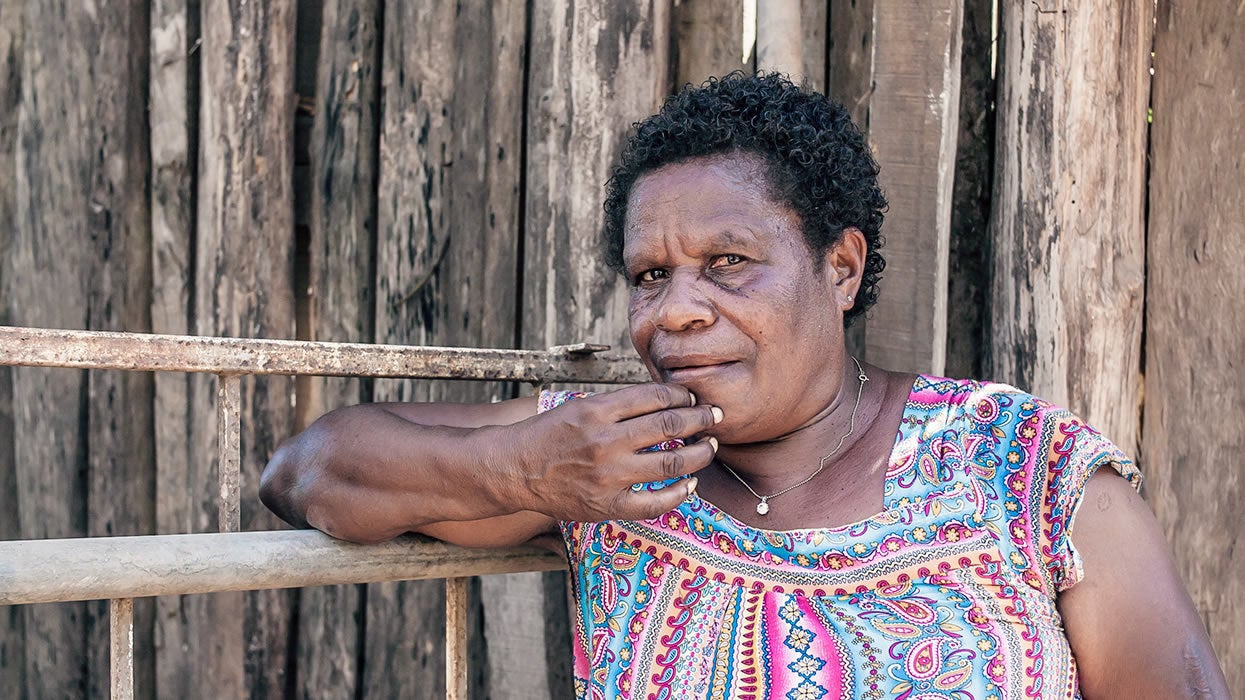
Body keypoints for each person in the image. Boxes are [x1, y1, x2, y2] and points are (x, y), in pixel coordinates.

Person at [261, 73, 1227, 699]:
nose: (674, 311)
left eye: (727, 261)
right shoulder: (602, 464)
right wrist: (527, 473)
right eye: (650, 275)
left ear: (840, 268)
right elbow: (313, 473)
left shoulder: (1022, 471)